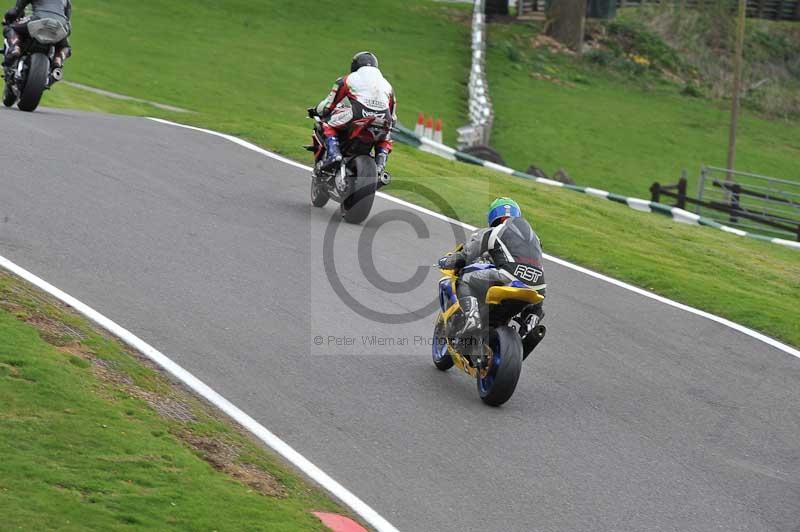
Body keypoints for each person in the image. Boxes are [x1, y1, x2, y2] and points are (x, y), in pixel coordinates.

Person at [438, 197, 546, 337]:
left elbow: (467, 254)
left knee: (465, 280)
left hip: (508, 276)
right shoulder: (535, 238)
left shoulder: (492, 231)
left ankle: (472, 318)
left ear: (493, 216)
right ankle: (531, 321)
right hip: (539, 285)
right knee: (538, 296)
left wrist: (448, 261)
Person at [313, 51, 395, 184]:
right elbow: (393, 116)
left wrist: (317, 110)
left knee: (326, 123)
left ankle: (334, 155)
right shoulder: (388, 86)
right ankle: (380, 166)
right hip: (383, 118)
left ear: (355, 66)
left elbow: (328, 106)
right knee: (385, 138)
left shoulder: (347, 79)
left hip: (358, 114)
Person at [3, 0, 71, 68]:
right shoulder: (66, 1)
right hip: (60, 24)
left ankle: (15, 48)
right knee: (65, 46)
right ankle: (58, 58)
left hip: (38, 19)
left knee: (11, 28)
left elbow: (15, 11)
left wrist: (7, 19)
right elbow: (67, 22)